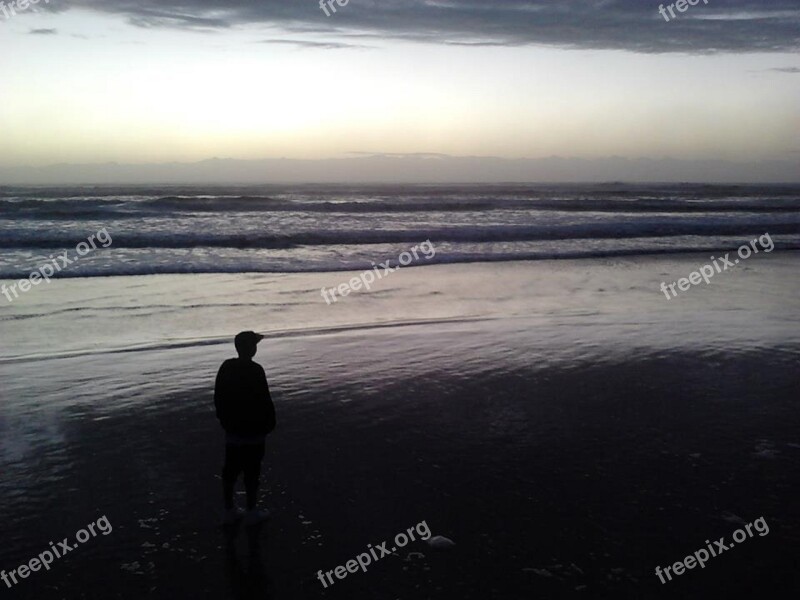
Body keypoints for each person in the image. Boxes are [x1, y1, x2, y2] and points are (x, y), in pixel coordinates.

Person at [215, 331, 276, 525]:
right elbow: (265, 399)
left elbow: (218, 396)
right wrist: (270, 422)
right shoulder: (256, 370)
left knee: (230, 470)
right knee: (252, 471)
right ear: (252, 348)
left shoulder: (226, 367)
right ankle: (251, 510)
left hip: (233, 428)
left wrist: (223, 419)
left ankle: (229, 509)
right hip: (254, 429)